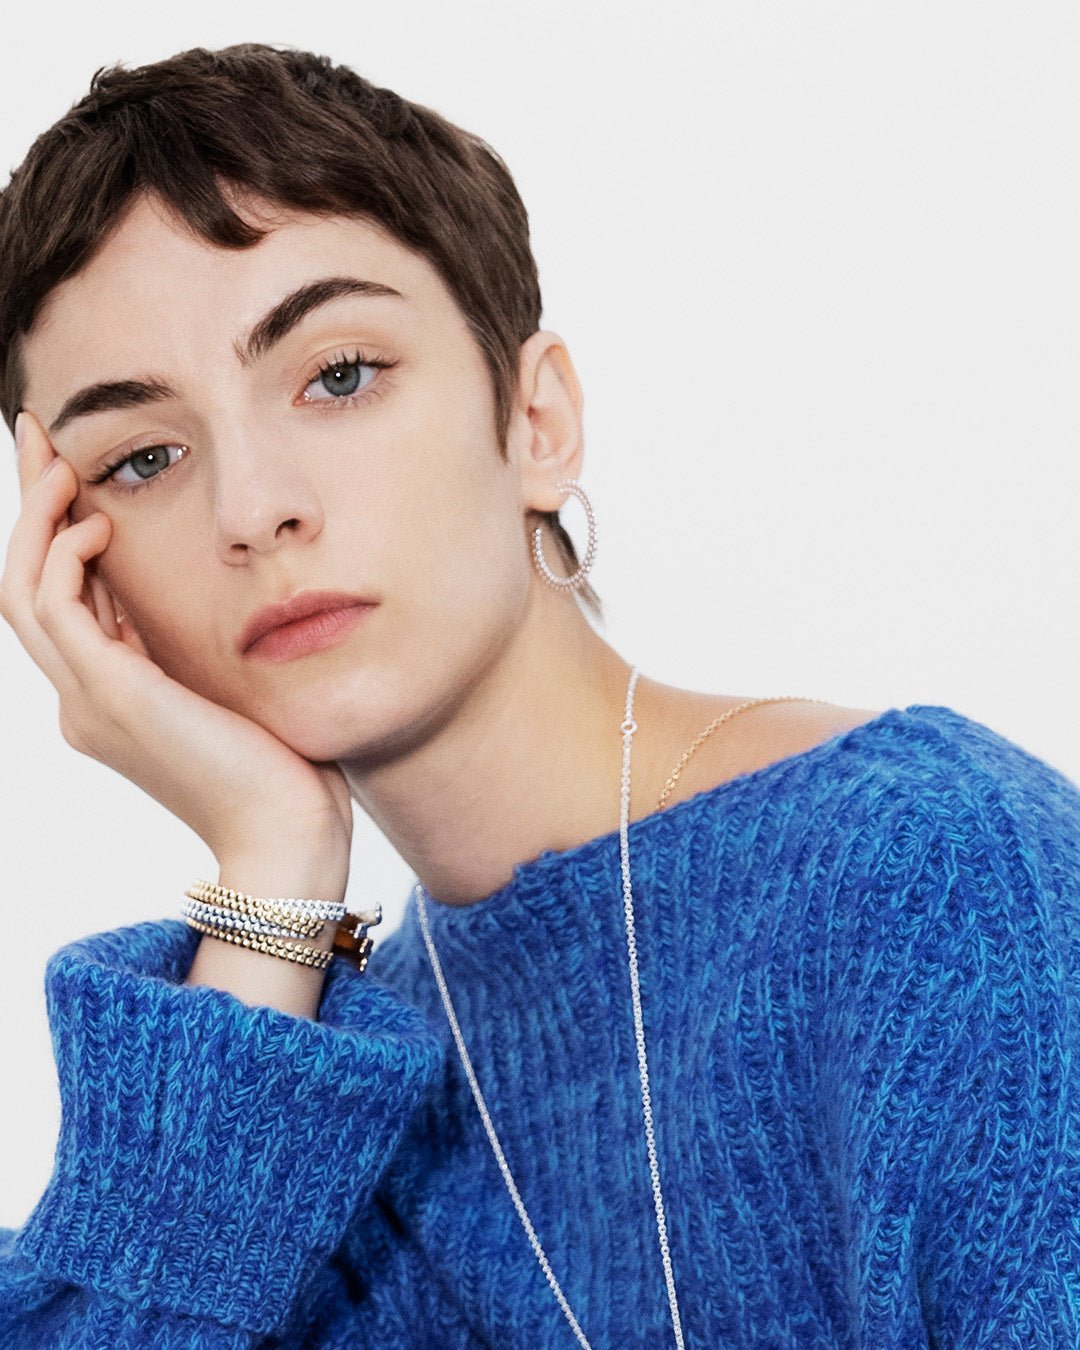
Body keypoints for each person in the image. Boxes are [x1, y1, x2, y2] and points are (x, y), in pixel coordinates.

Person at [0, 41, 1076, 1349]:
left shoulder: (934, 873)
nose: (254, 507)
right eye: (144, 458)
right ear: (84, 575)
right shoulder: (301, 1098)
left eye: (340, 375)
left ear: (538, 421)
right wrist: (273, 873)